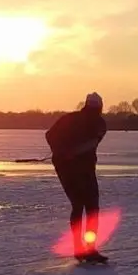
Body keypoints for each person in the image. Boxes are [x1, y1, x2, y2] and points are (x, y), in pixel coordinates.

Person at [46, 92, 109, 263]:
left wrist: (61, 152)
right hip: (81, 169)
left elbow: (49, 135)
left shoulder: (69, 119)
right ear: (100, 106)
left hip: (65, 167)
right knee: (91, 208)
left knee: (78, 206)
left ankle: (79, 248)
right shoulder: (99, 123)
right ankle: (88, 248)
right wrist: (66, 153)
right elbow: (90, 144)